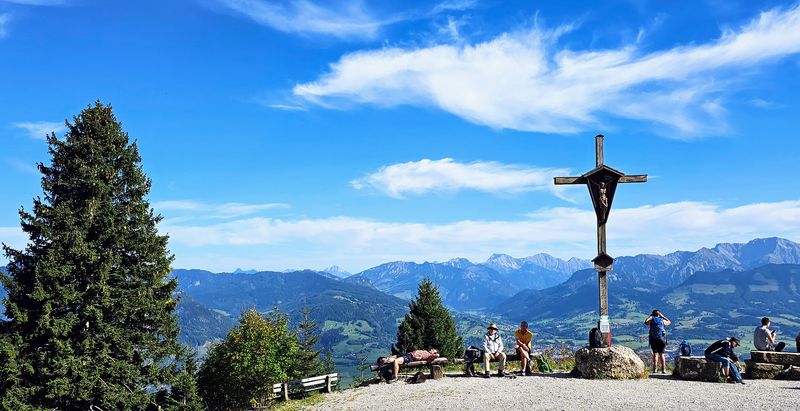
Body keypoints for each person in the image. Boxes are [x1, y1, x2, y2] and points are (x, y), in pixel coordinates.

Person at [644, 309, 671, 373]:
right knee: (662, 354)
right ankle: (663, 369)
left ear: (653, 314)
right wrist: (662, 316)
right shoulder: (662, 320)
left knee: (655, 354)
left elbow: (646, 322)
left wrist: (650, 316)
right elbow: (669, 322)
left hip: (653, 339)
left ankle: (655, 369)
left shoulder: (651, 320)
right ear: (659, 314)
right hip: (662, 339)